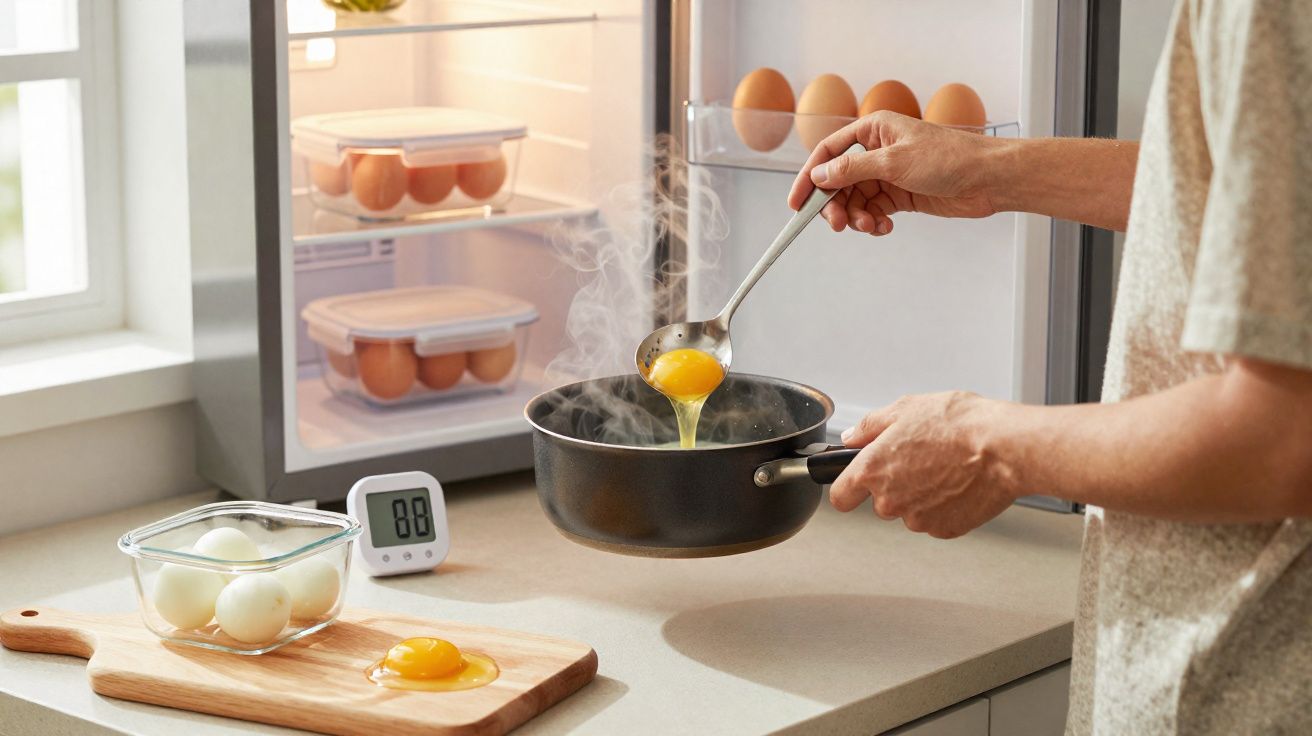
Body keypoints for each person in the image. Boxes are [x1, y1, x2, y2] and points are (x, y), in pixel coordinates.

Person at [787, 1, 1311, 733]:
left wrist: (988, 445)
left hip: (1248, 674)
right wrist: (986, 170)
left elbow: (1288, 433)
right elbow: (1243, 190)